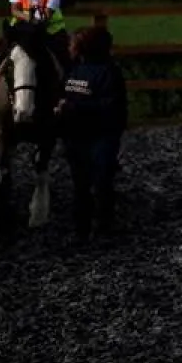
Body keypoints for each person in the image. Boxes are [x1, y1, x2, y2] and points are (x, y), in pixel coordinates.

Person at [55, 25, 129, 242]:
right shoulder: (73, 70)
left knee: (101, 180)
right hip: (76, 134)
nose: (69, 47)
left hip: (101, 135)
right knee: (80, 183)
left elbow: (111, 106)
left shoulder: (108, 72)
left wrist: (73, 108)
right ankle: (82, 227)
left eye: (72, 43)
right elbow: (64, 93)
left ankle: (104, 226)